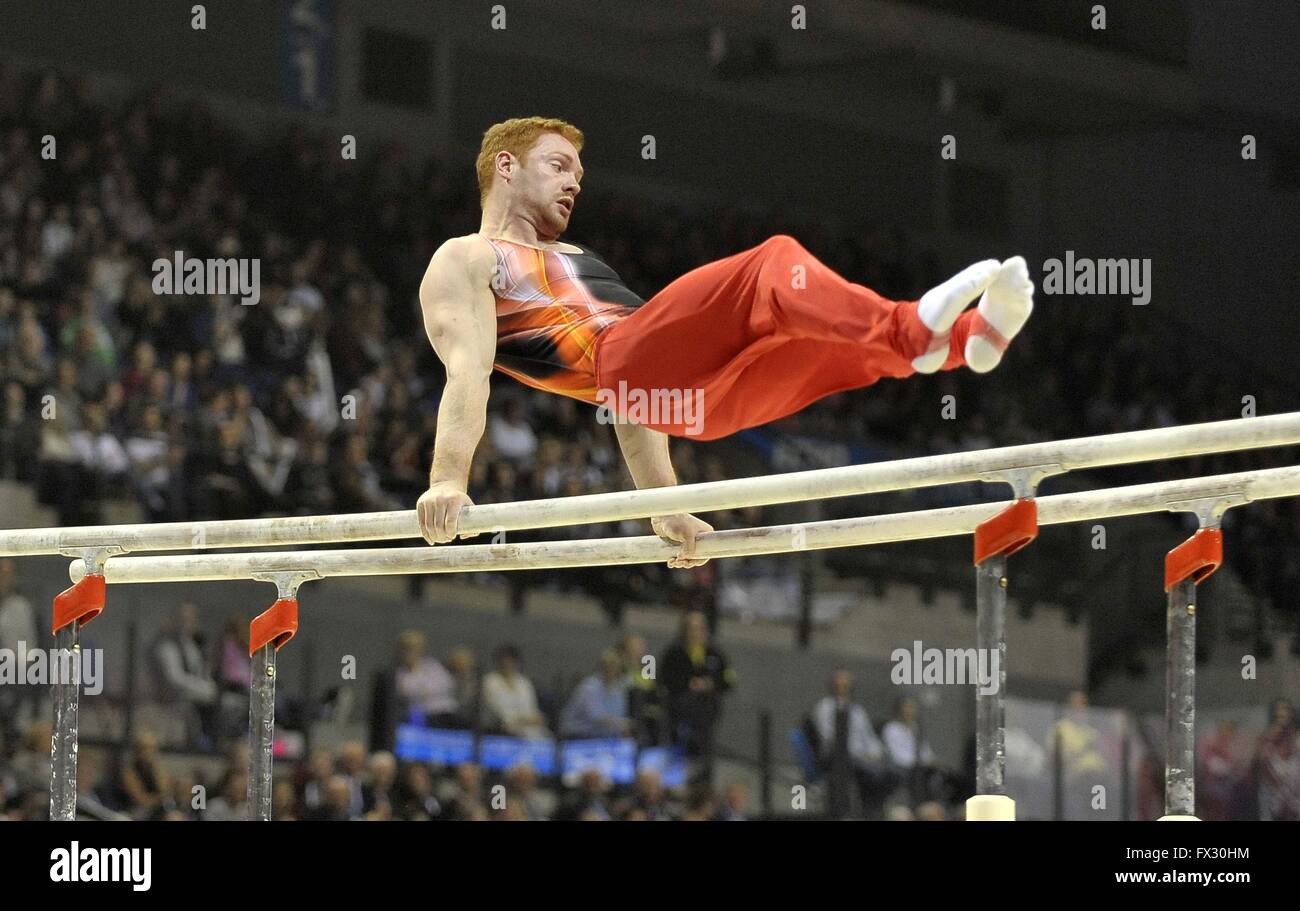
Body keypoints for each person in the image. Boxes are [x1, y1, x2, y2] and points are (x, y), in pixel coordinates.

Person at [414, 117, 1034, 567]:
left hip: (690, 404)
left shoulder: (578, 259)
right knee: (773, 265)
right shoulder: (467, 258)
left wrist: (666, 504)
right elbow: (468, 373)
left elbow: (635, 404)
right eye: (559, 166)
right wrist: (448, 480)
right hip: (624, 362)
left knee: (821, 341)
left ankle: (962, 339)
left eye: (580, 174)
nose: (575, 182)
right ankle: (916, 329)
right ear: (505, 166)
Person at [811, 670, 899, 819]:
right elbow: (829, 737)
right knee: (868, 771)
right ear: (832, 686)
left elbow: (869, 737)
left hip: (863, 757)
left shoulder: (858, 711)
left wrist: (876, 753)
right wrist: (860, 755)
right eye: (840, 685)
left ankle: (872, 810)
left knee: (891, 771)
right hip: (837, 757)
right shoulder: (824, 707)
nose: (843, 688)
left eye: (847, 685)